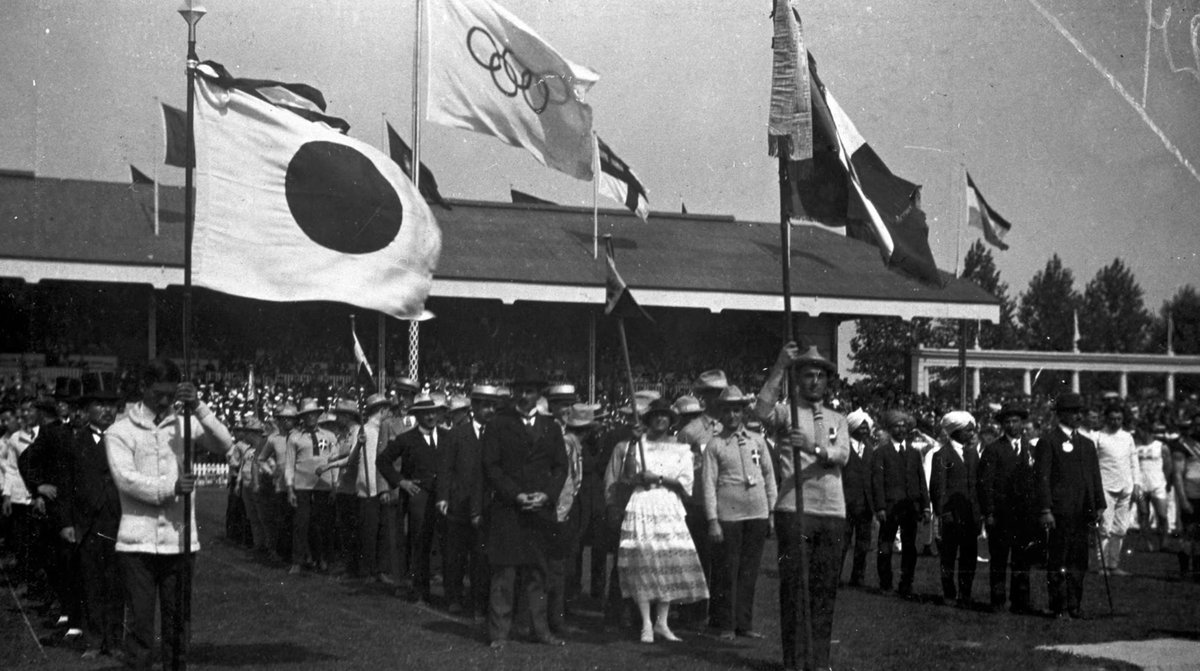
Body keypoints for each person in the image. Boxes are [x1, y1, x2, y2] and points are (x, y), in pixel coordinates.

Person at [105, 358, 233, 669]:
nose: (164, 401)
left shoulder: (185, 423)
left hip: (180, 542)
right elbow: (126, 479)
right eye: (158, 393)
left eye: (170, 394)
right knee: (140, 632)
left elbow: (225, 443)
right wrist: (170, 487)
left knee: (178, 629)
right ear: (143, 388)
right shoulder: (120, 430)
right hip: (138, 545)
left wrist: (199, 407)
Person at [755, 343, 849, 671]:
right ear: (798, 380)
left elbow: (842, 455)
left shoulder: (839, 418)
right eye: (807, 375)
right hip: (795, 509)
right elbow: (760, 412)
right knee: (795, 588)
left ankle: (818, 660)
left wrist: (813, 448)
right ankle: (794, 661)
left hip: (832, 512)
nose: (813, 382)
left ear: (827, 381)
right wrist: (780, 365)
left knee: (825, 589)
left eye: (819, 376)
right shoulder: (786, 412)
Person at [481, 367, 567, 649]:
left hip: (540, 511)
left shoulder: (551, 427)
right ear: (513, 393)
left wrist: (546, 495)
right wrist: (516, 495)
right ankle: (499, 634)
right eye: (520, 391)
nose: (524, 396)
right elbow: (491, 466)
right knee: (504, 573)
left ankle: (539, 631)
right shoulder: (497, 424)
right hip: (509, 509)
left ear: (538, 394)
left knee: (538, 573)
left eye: (530, 391)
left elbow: (560, 468)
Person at [618, 398, 708, 644]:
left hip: (668, 505)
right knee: (645, 561)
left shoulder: (680, 449)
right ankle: (646, 623)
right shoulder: (639, 444)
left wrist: (656, 477)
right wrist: (635, 444)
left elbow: (684, 483)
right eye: (656, 415)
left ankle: (662, 622)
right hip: (643, 504)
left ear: (671, 420)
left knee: (667, 559)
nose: (661, 419)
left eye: (665, 416)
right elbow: (627, 475)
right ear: (648, 419)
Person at [702, 386, 776, 640]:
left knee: (749, 571)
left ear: (744, 412)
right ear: (721, 413)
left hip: (757, 513)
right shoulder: (715, 444)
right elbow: (709, 485)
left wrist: (772, 511)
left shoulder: (758, 440)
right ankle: (725, 624)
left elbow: (769, 476)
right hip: (729, 515)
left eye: (737, 410)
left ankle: (744, 624)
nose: (732, 415)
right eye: (727, 410)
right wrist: (713, 520)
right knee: (727, 571)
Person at [63, 387, 126, 659]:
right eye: (99, 405)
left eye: (111, 405)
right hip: (87, 523)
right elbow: (65, 486)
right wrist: (66, 522)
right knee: (90, 583)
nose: (106, 410)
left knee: (116, 583)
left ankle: (114, 641)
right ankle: (93, 640)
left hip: (118, 521)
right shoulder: (74, 441)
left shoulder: (123, 439)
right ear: (87, 409)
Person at [1036, 392, 1106, 619]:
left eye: (1080, 412)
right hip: (1059, 511)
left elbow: (1094, 477)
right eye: (1073, 412)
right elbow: (1042, 478)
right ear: (1061, 415)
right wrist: (1046, 509)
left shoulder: (1086, 443)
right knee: (1058, 559)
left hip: (1082, 511)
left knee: (1079, 560)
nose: (1078, 416)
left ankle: (1075, 605)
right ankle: (1059, 605)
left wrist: (1098, 505)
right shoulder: (1049, 441)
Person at [378, 393, 447, 604]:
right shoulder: (406, 439)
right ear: (417, 416)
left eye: (433, 412)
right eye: (426, 413)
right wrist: (401, 482)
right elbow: (383, 460)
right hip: (419, 496)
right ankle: (420, 591)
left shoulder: (447, 437)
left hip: (444, 496)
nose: (431, 417)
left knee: (445, 542)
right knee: (420, 542)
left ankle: (450, 594)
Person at [436, 385, 497, 617]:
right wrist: (443, 496)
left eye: (492, 406)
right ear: (474, 407)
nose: (489, 410)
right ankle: (453, 596)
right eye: (484, 405)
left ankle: (478, 601)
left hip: (485, 504)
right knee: (456, 554)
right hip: (459, 502)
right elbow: (445, 468)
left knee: (481, 557)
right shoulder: (457, 435)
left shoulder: (497, 433)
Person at [978, 403, 1039, 614]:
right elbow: (986, 484)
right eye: (1007, 422)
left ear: (1022, 423)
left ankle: (1021, 601)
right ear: (1002, 425)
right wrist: (989, 512)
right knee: (999, 559)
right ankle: (998, 600)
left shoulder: (1031, 449)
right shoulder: (993, 449)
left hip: (1025, 516)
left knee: (1022, 560)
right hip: (1002, 515)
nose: (1012, 425)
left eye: (1016, 421)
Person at [871, 409, 930, 597]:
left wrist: (926, 505)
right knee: (885, 545)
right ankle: (885, 583)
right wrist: (880, 506)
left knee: (909, 546)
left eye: (904, 425)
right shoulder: (881, 452)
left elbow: (921, 481)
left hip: (910, 508)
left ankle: (906, 584)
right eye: (897, 426)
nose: (901, 429)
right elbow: (877, 481)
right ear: (890, 429)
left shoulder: (913, 453)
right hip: (889, 507)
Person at [929, 411, 981, 608]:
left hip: (969, 515)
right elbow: (938, 488)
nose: (971, 433)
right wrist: (943, 513)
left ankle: (965, 593)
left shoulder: (972, 453)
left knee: (969, 557)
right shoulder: (941, 455)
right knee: (948, 558)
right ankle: (949, 593)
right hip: (951, 516)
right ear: (956, 432)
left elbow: (976, 485)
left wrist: (978, 512)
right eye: (967, 430)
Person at [285, 398, 338, 575]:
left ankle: (322, 559)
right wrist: (290, 489)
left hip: (324, 486)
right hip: (302, 486)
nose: (311, 418)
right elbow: (289, 465)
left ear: (318, 415)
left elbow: (334, 461)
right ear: (302, 417)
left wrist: (334, 486)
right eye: (307, 415)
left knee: (322, 524)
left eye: (314, 414)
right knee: (301, 523)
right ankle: (297, 561)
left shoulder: (329, 437)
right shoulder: (295, 437)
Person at [1094, 403, 1139, 576]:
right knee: (1105, 527)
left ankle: (1113, 564)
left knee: (1120, 528)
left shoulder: (1127, 437)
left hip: (1125, 487)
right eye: (1112, 418)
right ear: (1106, 418)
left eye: (1119, 419)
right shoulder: (1097, 436)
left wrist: (1137, 484)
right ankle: (1103, 566)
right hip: (1105, 487)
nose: (1115, 422)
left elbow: (1134, 462)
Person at [840, 409, 875, 588]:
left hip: (865, 505)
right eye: (860, 427)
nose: (864, 430)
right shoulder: (843, 447)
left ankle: (858, 577)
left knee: (863, 545)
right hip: (845, 503)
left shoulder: (870, 449)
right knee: (842, 543)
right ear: (852, 427)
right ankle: (836, 576)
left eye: (866, 427)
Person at [1133, 422, 1172, 552]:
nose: (1137, 434)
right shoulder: (1135, 447)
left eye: (1139, 431)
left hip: (1158, 485)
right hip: (1141, 486)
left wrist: (1164, 481)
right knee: (1143, 515)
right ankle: (1148, 543)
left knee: (1162, 515)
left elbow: (1168, 465)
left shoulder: (1161, 447)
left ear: (1146, 431)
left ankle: (1164, 542)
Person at [1170, 413, 1200, 581]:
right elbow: (1177, 475)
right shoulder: (1183, 446)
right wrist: (1183, 499)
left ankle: (1197, 571)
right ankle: (1184, 571)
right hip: (1191, 495)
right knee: (1188, 534)